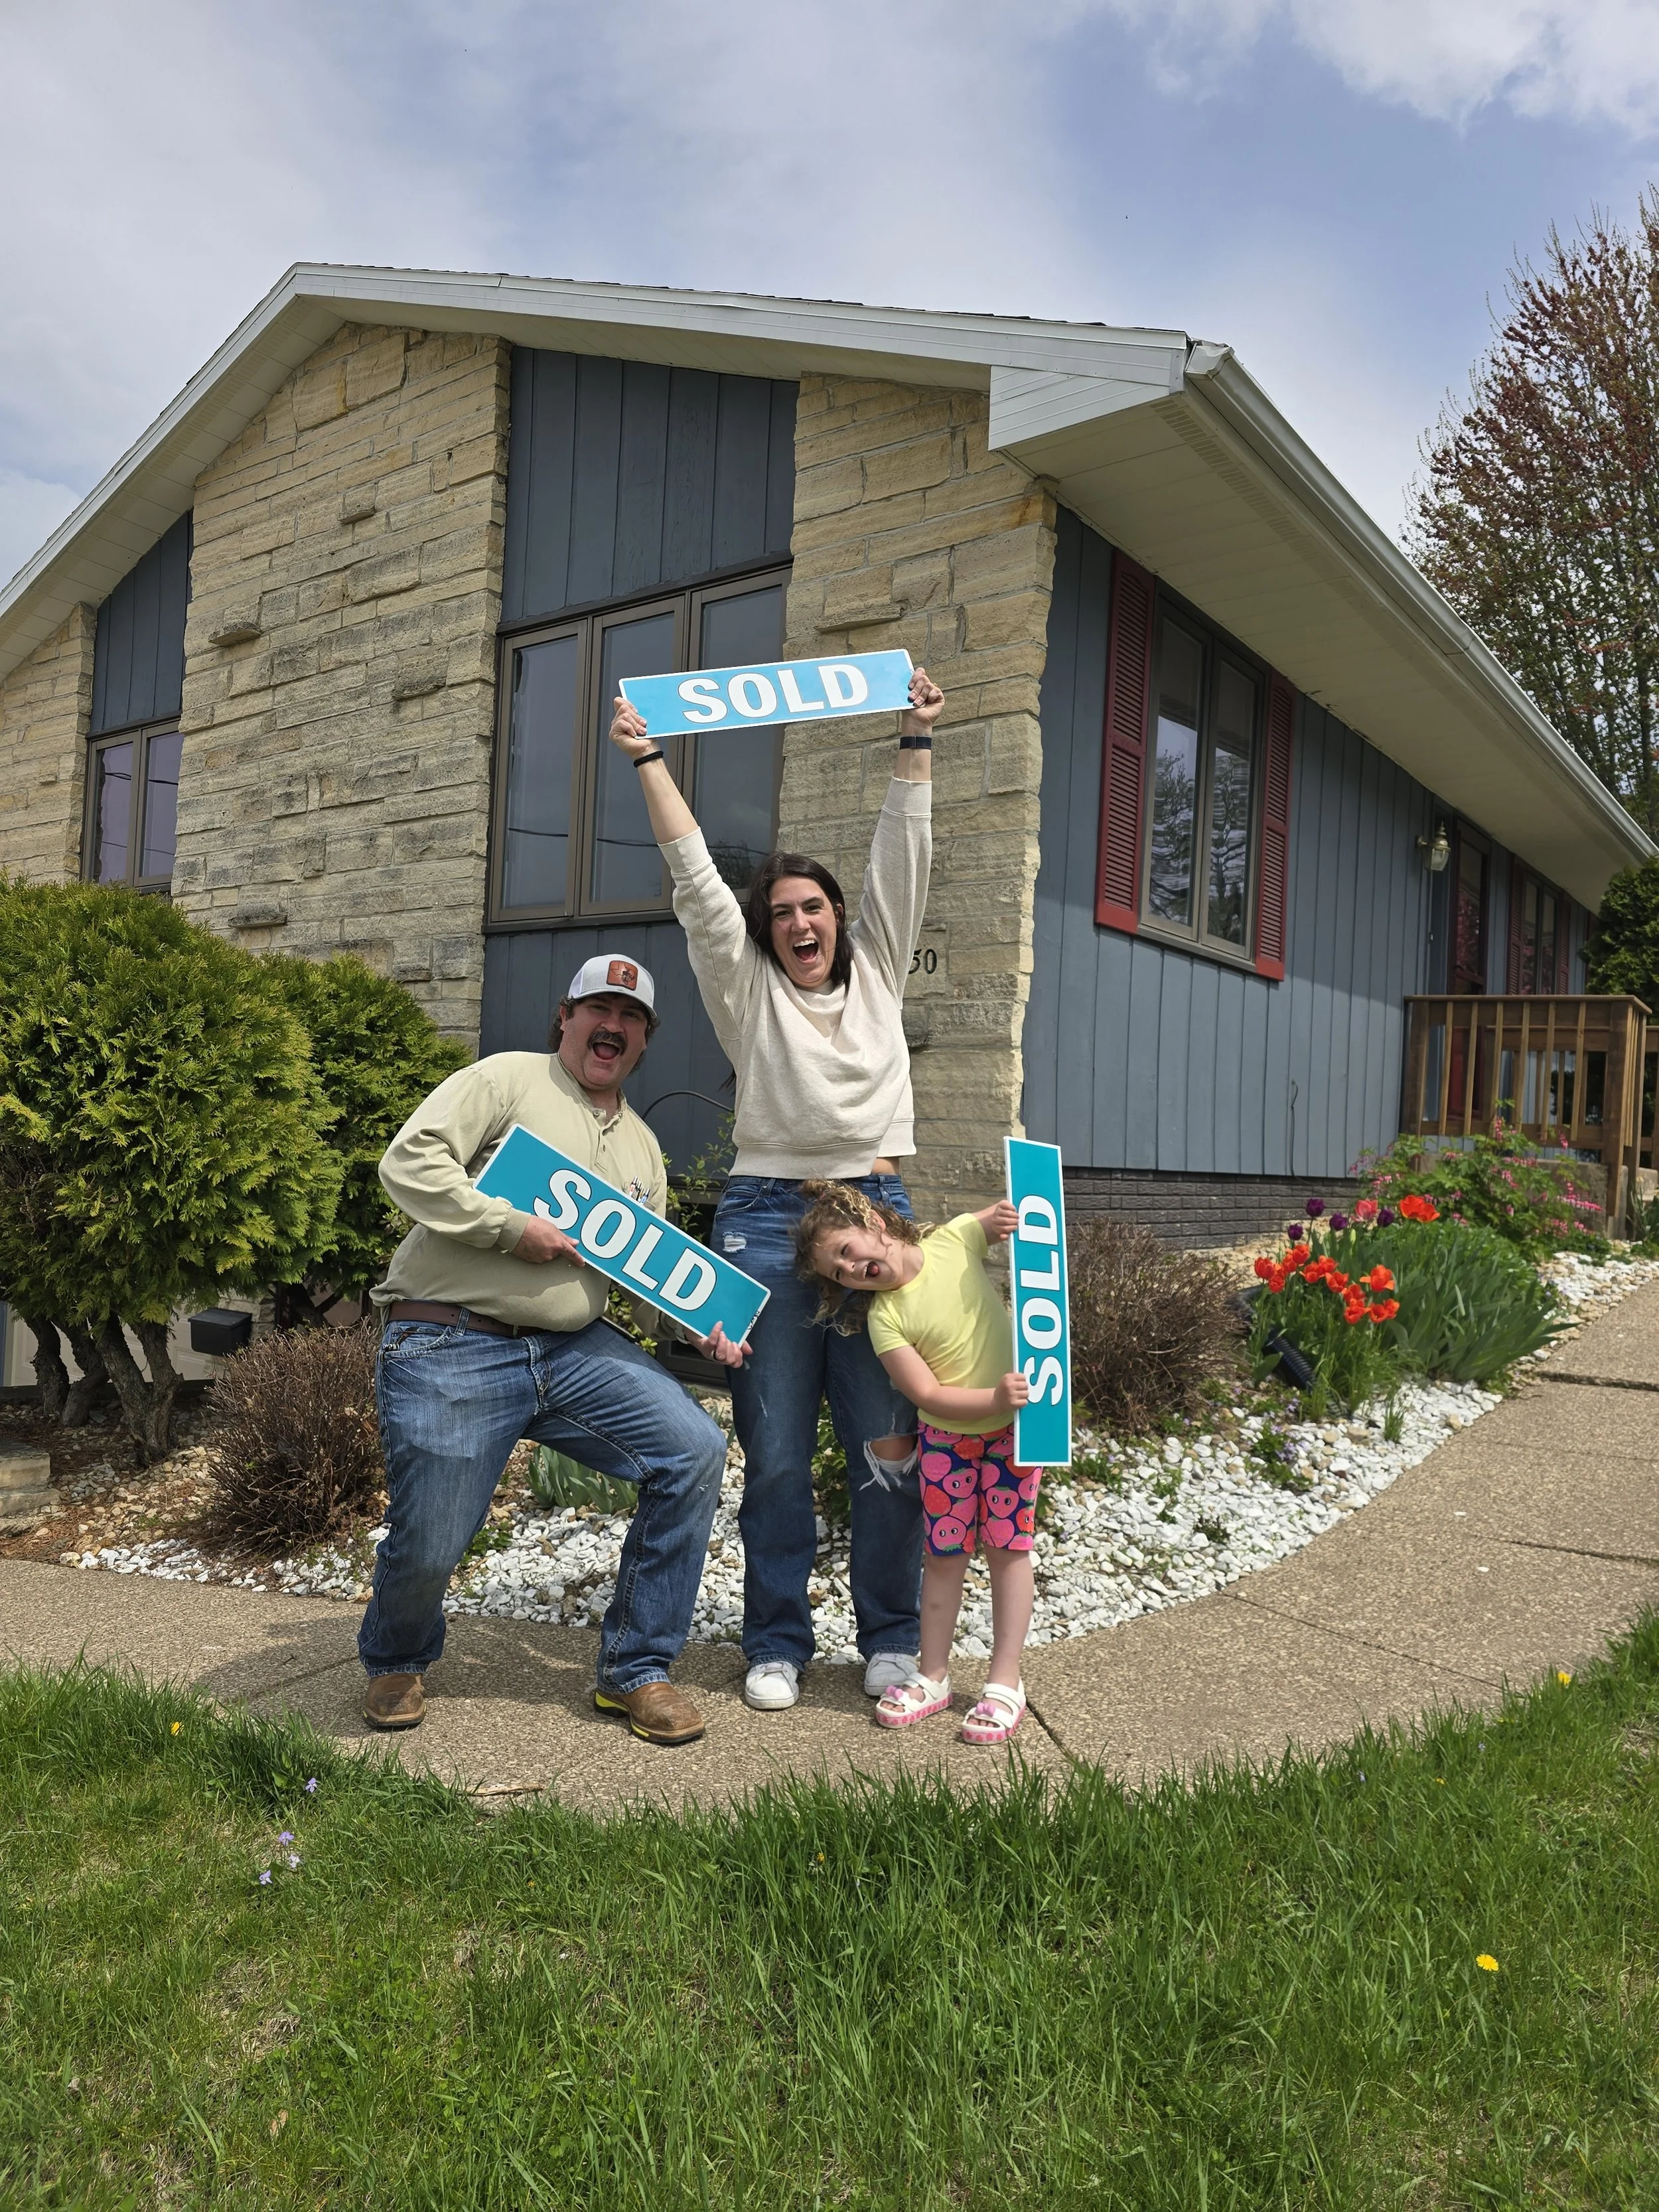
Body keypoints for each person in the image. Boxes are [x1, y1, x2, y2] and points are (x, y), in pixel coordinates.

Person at [607, 667, 944, 1711]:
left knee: (889, 1445)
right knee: (782, 1451)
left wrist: (914, 744)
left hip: (877, 1217)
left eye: (815, 907)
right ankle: (777, 1641)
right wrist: (648, 760)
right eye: (782, 912)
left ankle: (889, 1638)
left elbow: (904, 862)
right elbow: (698, 881)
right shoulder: (746, 986)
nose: (799, 922)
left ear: (842, 918)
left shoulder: (880, 966)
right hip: (766, 1223)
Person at [362, 954, 744, 1747]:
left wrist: (696, 1325)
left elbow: (644, 1288)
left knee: (693, 1450)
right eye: (597, 1008)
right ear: (564, 1019)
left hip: (573, 1350)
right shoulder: (507, 1080)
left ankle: (637, 1670)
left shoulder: (642, 1148)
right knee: (433, 1535)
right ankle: (397, 1657)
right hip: (451, 1337)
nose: (612, 1025)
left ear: (643, 1042)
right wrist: (510, 1228)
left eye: (630, 1016)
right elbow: (410, 1163)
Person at [796, 1181, 1040, 1745]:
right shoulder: (886, 1320)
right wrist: (994, 1401)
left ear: (876, 1221)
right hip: (951, 1443)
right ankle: (933, 1674)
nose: (853, 1268)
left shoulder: (953, 1240)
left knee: (1010, 1550)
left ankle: (1005, 1681)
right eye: (840, 1272)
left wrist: (1009, 1213)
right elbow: (927, 1394)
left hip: (1016, 1436)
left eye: (849, 1249)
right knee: (945, 1555)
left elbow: (992, 1220)